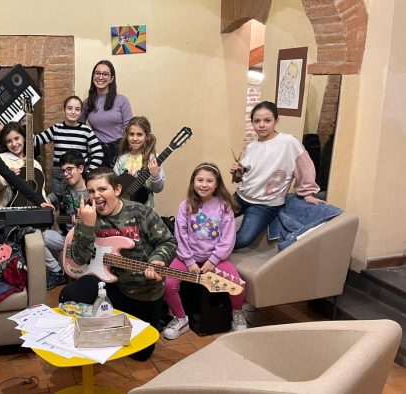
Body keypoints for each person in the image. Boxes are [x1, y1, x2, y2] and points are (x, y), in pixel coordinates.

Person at [59, 167, 176, 361]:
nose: (96, 196)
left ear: (117, 190)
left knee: (141, 354)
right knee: (70, 294)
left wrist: (158, 259)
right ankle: (88, 338)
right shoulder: (88, 216)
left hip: (143, 290)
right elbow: (79, 259)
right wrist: (87, 226)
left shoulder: (140, 212)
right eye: (91, 191)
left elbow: (168, 242)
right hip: (108, 287)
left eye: (102, 189)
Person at [162, 163, 247, 340]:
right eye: (200, 180)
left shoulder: (224, 206)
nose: (204, 184)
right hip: (187, 257)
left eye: (209, 181)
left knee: (238, 285)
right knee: (169, 284)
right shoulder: (185, 205)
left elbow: (228, 238)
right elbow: (180, 235)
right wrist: (189, 261)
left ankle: (237, 314)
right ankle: (180, 318)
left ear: (217, 184)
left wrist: (214, 259)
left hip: (215, 259)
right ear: (193, 181)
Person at [231, 101, 325, 250]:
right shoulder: (251, 146)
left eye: (267, 120)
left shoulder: (288, 142)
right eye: (257, 121)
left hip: (264, 205)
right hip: (240, 196)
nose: (261, 125)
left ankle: (210, 251)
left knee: (243, 239)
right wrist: (238, 172)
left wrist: (308, 193)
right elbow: (245, 175)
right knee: (212, 221)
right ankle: (196, 248)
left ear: (276, 121)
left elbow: (305, 167)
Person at [34, 95, 104, 196]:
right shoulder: (56, 129)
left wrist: (87, 172)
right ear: (63, 110)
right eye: (69, 108)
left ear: (81, 112)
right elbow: (35, 141)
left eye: (77, 109)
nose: (73, 112)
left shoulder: (86, 130)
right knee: (60, 204)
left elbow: (98, 153)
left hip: (79, 177)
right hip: (60, 176)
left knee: (80, 204)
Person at [42, 151, 90, 290]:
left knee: (79, 281)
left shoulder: (91, 190)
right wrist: (48, 202)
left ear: (80, 169)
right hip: (65, 237)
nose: (66, 174)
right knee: (40, 237)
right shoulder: (63, 187)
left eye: (70, 169)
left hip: (85, 242)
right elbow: (51, 197)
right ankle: (57, 271)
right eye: (63, 171)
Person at [81, 60, 132, 168]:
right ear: (93, 76)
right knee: (101, 184)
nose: (100, 77)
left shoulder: (122, 100)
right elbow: (80, 128)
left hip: (121, 149)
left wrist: (126, 151)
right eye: (97, 73)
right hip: (98, 151)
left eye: (105, 74)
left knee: (122, 183)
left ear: (111, 79)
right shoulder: (87, 103)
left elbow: (129, 128)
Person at [113, 116, 165, 208]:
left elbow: (158, 189)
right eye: (131, 134)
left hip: (145, 211)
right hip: (123, 209)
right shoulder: (122, 158)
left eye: (139, 134)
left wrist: (156, 175)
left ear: (147, 137)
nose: (135, 138)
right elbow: (114, 184)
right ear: (127, 136)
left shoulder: (153, 158)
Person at [0, 122, 47, 207]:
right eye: (9, 141)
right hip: (7, 211)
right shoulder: (0, 159)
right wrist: (7, 177)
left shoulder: (35, 164)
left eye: (16, 138)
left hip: (33, 211)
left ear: (24, 138)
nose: (14, 144)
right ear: (5, 143)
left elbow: (41, 191)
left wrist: (45, 206)